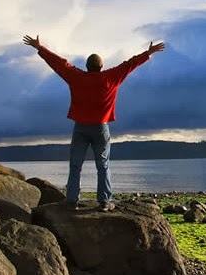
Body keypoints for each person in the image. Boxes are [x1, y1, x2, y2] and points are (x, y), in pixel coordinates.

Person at [23, 34, 165, 211]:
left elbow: (59, 64)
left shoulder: (76, 77)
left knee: (75, 165)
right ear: (101, 66)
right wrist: (148, 53)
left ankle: (72, 201)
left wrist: (40, 48)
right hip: (100, 127)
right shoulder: (110, 77)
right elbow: (129, 65)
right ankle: (104, 201)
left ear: (87, 66)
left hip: (80, 127)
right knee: (103, 165)